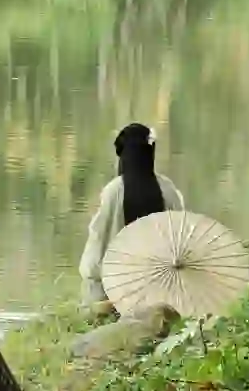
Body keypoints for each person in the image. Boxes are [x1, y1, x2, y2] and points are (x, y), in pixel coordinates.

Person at [79, 122, 184, 306]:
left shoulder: (115, 191)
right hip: (160, 288)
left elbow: (98, 239)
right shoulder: (168, 190)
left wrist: (91, 275)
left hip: (116, 287)